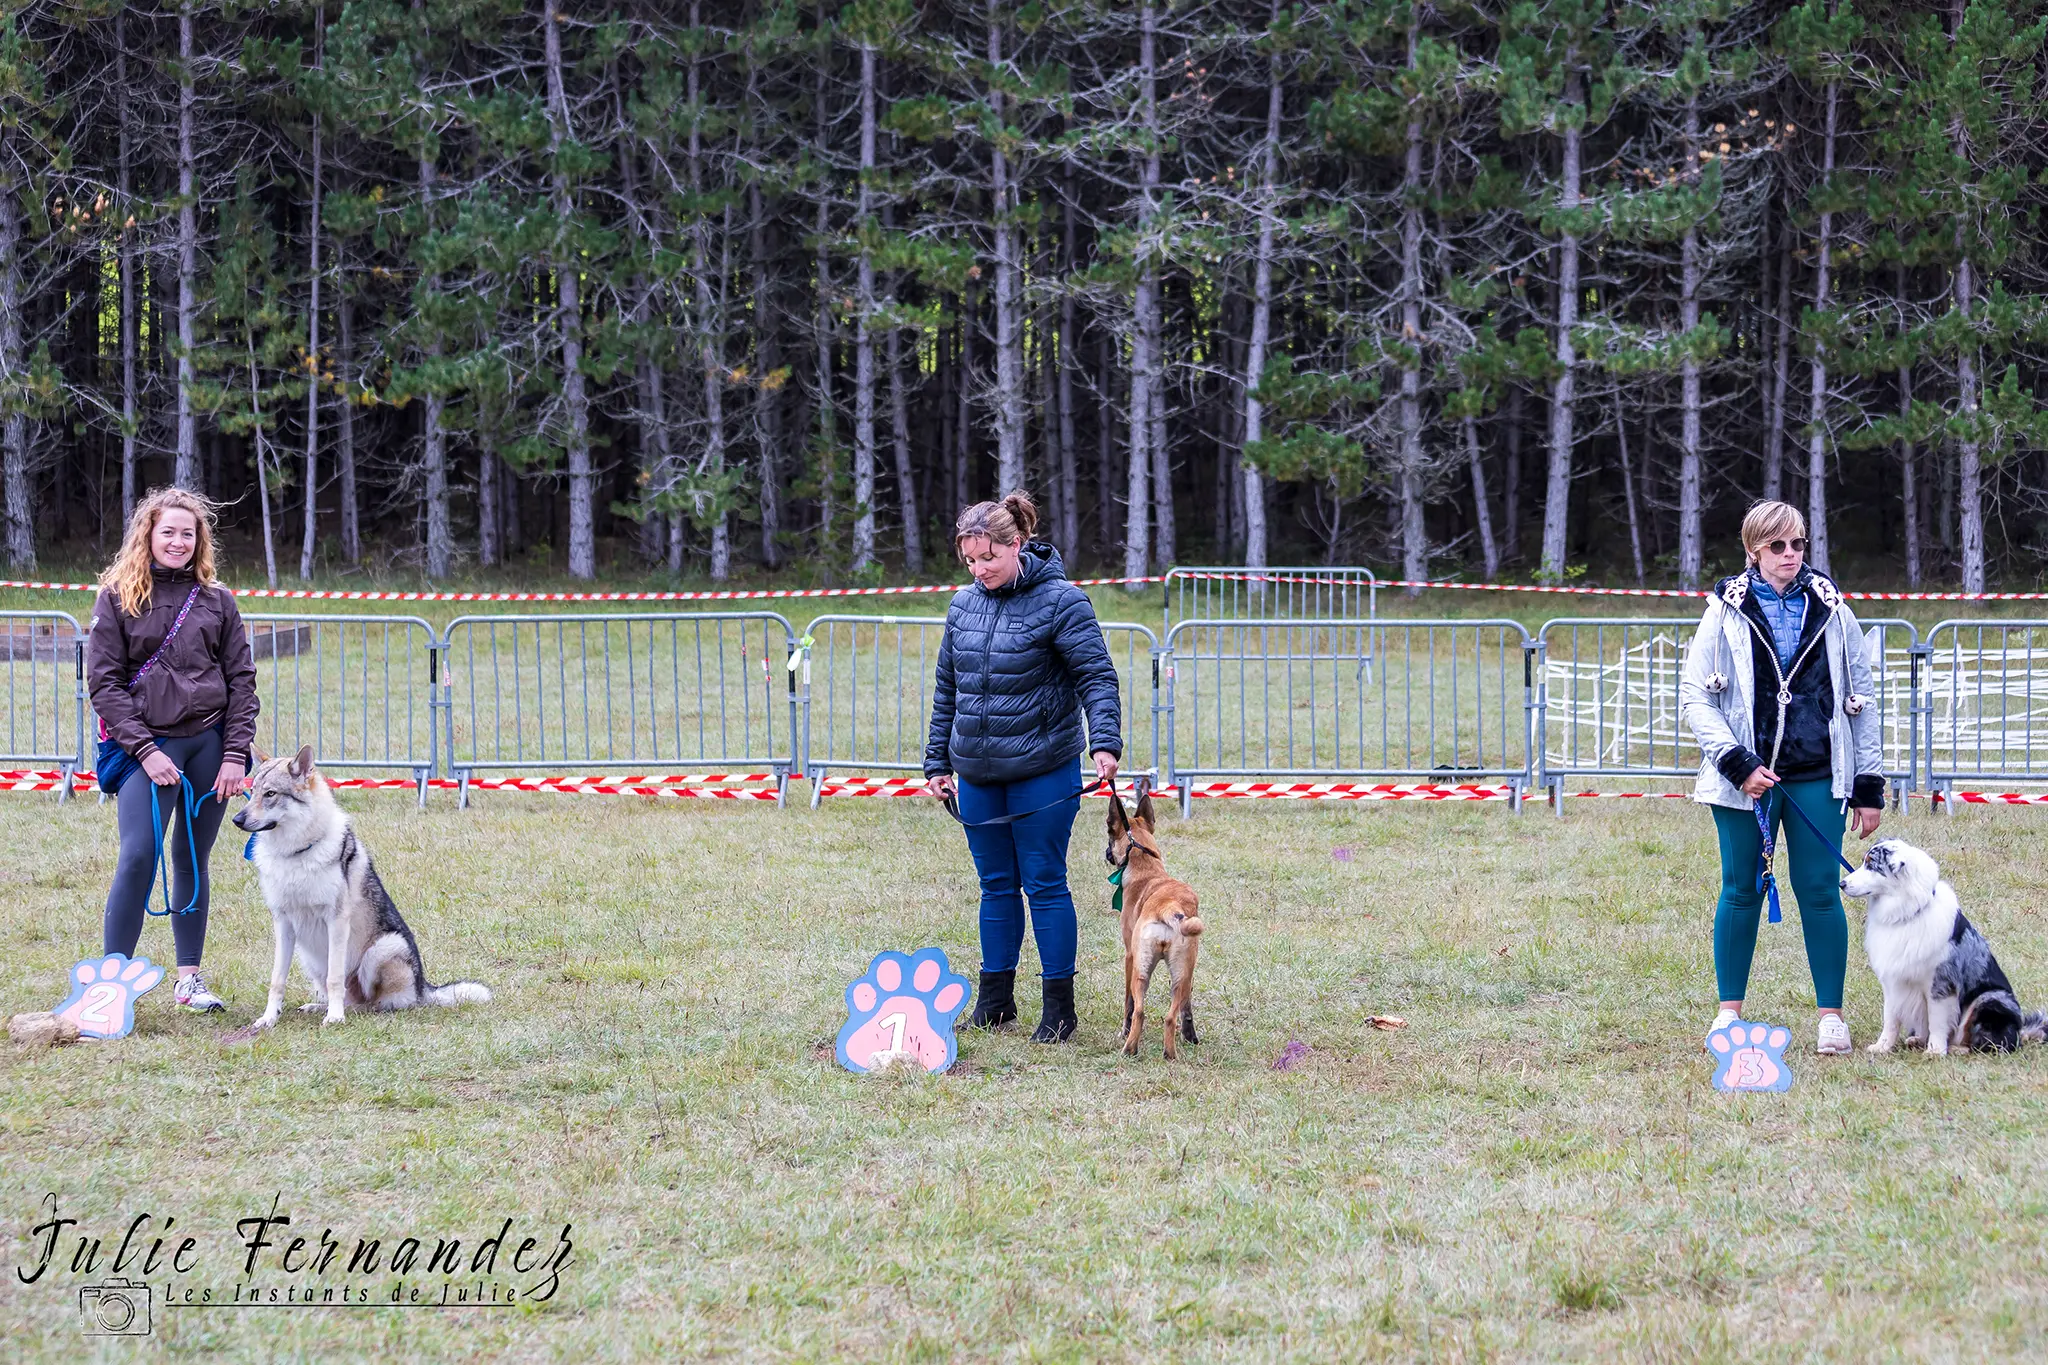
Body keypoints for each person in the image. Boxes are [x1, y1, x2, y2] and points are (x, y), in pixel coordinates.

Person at [1679, 500, 1883, 1056]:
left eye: (1797, 545)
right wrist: (1736, 763)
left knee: (1820, 892)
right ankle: (1728, 1014)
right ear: (1754, 551)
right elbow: (1696, 694)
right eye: (1777, 547)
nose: (1790, 555)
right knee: (1740, 889)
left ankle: (1832, 1018)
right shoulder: (1723, 610)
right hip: (1745, 777)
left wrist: (1869, 785)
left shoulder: (1835, 609)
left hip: (1817, 774)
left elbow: (1861, 700)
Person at [924, 492, 1123, 1042]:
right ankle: (996, 1001)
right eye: (970, 560)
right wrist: (936, 761)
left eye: (989, 557)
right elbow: (948, 689)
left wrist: (1104, 741)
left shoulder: (1063, 601)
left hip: (1043, 769)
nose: (979, 569)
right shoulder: (963, 605)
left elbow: (1097, 678)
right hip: (978, 773)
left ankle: (1059, 1009)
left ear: (1018, 545)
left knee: (1044, 884)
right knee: (995, 886)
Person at [87, 488, 259, 1013]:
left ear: (199, 540)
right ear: (148, 535)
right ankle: (110, 987)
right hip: (148, 748)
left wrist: (234, 755)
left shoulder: (218, 601)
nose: (179, 542)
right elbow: (105, 683)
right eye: (169, 532)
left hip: (209, 745)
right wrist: (144, 751)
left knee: (192, 857)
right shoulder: (117, 596)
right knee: (139, 854)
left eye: (189, 533)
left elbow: (241, 681)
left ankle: (190, 980)